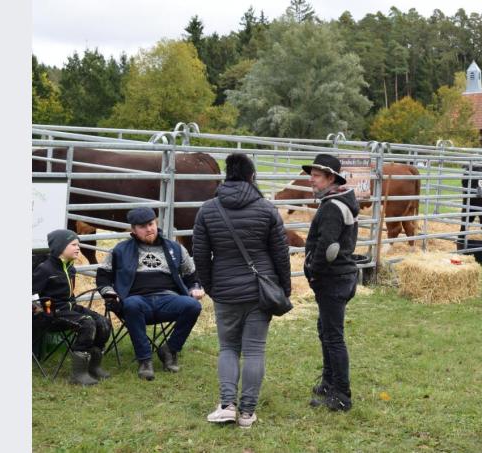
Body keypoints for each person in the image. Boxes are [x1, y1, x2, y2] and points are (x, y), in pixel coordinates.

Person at [193, 153, 292, 428]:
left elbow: (200, 254)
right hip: (261, 290)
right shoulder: (267, 209)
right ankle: (247, 413)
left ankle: (227, 405)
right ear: (252, 176)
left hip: (225, 290)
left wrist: (211, 286)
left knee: (227, 348)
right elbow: (281, 254)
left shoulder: (208, 209)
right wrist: (284, 288)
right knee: (255, 351)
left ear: (227, 175)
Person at [96, 207, 204, 380]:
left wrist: (195, 288)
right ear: (133, 230)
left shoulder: (175, 249)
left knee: (193, 306)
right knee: (132, 305)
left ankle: (170, 350)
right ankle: (145, 360)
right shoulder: (120, 250)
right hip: (136, 300)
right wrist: (110, 294)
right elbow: (103, 277)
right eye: (142, 226)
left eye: (151, 224)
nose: (149, 229)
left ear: (156, 223)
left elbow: (192, 276)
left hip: (168, 298)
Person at [303, 154, 360, 412]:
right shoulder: (338, 202)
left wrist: (314, 272)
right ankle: (328, 382)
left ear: (330, 178)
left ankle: (342, 394)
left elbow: (327, 246)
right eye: (311, 175)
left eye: (316, 176)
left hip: (333, 279)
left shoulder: (332, 208)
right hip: (341, 278)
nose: (311, 180)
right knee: (325, 330)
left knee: (333, 337)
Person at [32, 229, 112, 385]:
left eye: (78, 245)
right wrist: (42, 310)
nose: (78, 248)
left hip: (70, 307)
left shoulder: (70, 268)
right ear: (60, 247)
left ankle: (93, 366)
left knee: (103, 322)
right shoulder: (45, 269)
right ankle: (78, 374)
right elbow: (32, 293)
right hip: (51, 314)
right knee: (87, 323)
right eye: (73, 244)